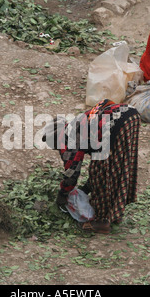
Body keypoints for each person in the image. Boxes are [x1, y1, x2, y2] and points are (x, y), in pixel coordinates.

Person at [43, 99, 140, 234]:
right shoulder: (78, 122)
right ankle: (114, 213)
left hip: (114, 124)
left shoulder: (68, 139)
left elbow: (72, 173)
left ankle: (101, 222)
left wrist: (63, 194)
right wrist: (85, 189)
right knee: (118, 166)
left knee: (100, 173)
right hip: (130, 114)